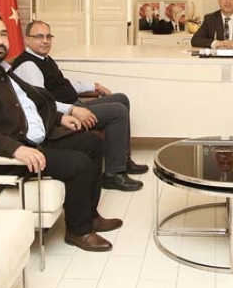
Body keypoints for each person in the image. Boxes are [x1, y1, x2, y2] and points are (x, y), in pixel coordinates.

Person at [0, 13, 123, 252]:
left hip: (35, 140)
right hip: (10, 155)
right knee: (78, 163)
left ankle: (90, 216)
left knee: (92, 144)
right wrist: (16, 149)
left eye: (3, 34)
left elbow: (32, 103)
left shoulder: (3, 71)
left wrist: (60, 117)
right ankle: (79, 230)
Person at [11, 21, 148, 192]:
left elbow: (64, 85)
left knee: (121, 99)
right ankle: (113, 174)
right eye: (39, 37)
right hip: (64, 116)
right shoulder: (29, 66)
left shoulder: (44, 59)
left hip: (74, 105)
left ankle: (122, 159)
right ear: (27, 39)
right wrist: (72, 110)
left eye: (48, 36)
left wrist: (93, 86)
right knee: (117, 111)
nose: (45, 41)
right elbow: (42, 104)